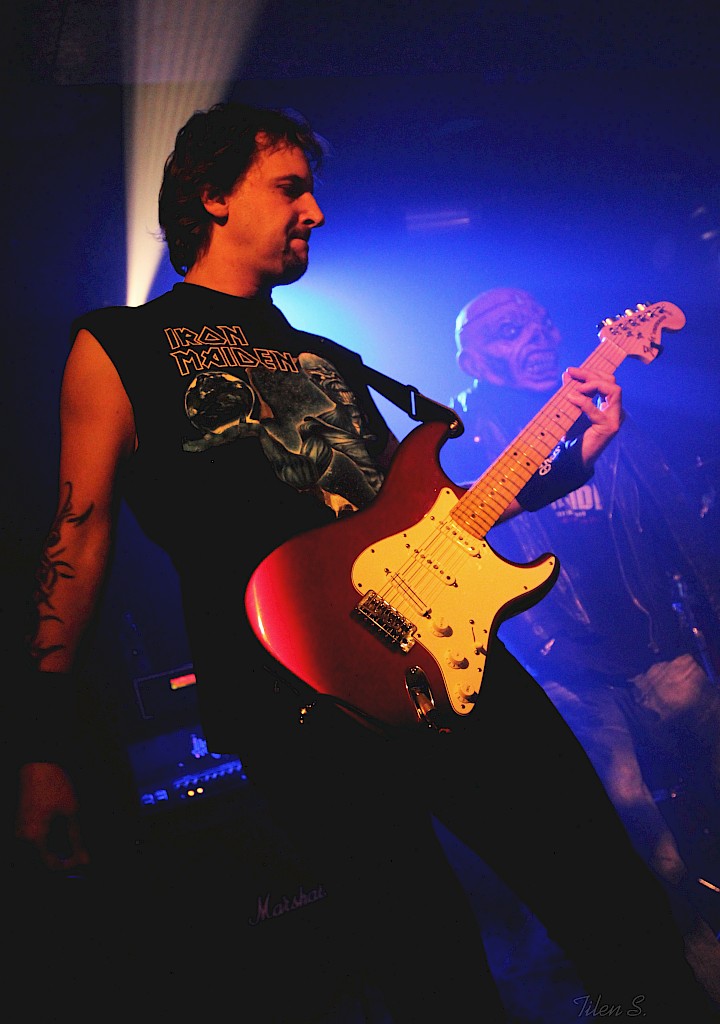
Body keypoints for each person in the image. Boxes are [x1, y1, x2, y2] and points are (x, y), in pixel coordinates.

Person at [13, 103, 720, 1023]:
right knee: (429, 965)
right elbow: (76, 539)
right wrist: (43, 743)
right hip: (294, 701)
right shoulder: (118, 345)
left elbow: (433, 514)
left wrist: (578, 455)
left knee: (611, 900)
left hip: (452, 669)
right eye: (289, 189)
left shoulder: (332, 357)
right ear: (212, 196)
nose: (313, 211)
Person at [444, 285, 720, 1003]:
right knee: (649, 850)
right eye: (510, 329)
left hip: (657, 646)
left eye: (540, 321)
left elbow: (677, 526)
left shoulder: (609, 411)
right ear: (473, 359)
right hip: (567, 675)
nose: (536, 335)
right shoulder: (460, 443)